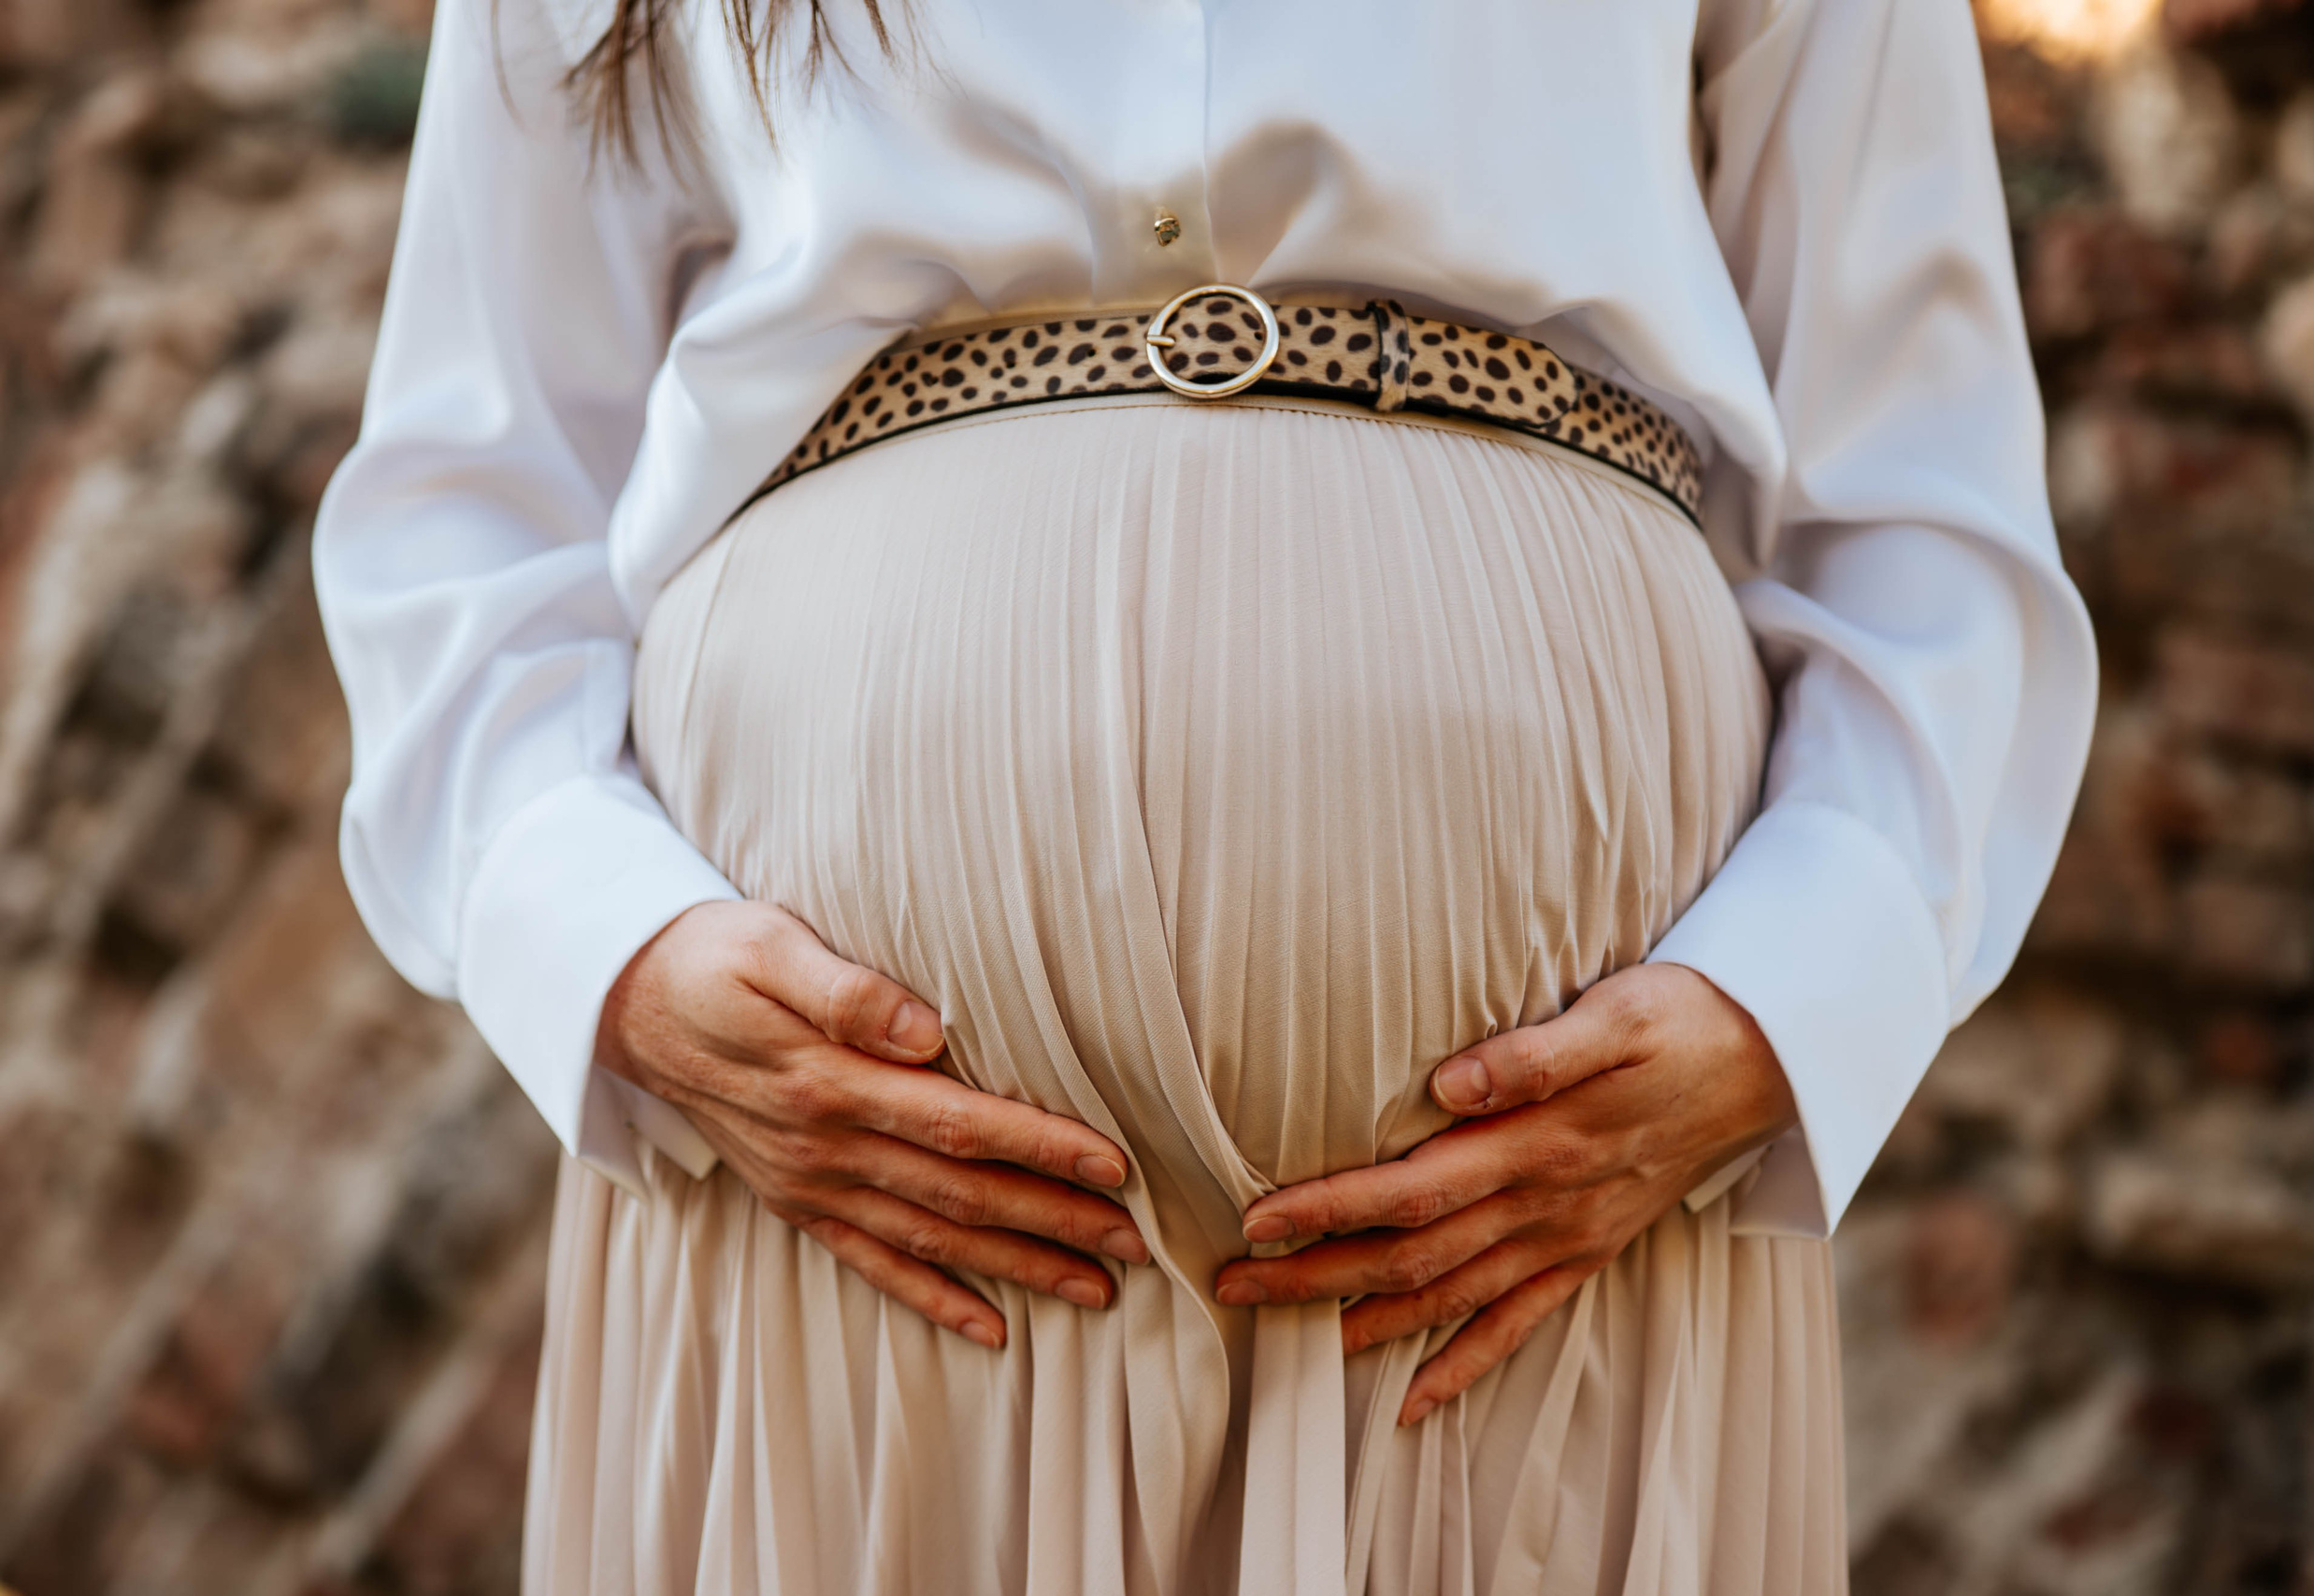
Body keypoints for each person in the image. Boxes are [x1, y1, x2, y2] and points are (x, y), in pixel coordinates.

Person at [311, 0, 2097, 1589]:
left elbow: (1918, 474)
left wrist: (1790, 996)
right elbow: (474, 489)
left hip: (1541, 1219)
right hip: (846, 1185)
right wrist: (611, 960)